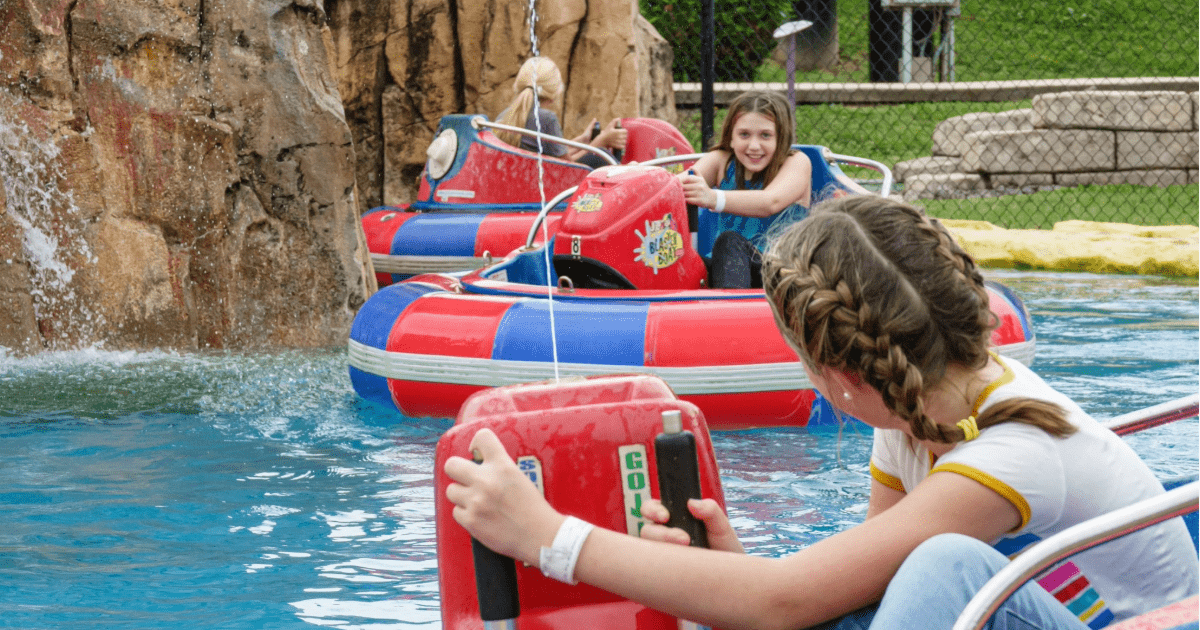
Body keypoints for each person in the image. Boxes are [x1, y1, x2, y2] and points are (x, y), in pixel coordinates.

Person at [444, 195, 1199, 630]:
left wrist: (548, 538)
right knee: (887, 583)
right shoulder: (917, 412)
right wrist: (731, 576)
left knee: (945, 565)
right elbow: (841, 596)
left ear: (838, 377)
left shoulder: (1012, 451)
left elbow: (787, 603)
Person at [677, 90, 813, 289]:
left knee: (730, 241)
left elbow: (770, 201)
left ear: (781, 138)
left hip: (780, 274)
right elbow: (675, 184)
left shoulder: (796, 163)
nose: (754, 145)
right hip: (726, 268)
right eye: (744, 135)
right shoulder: (721, 161)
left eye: (765, 135)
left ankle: (730, 316)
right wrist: (640, 177)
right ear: (731, 137)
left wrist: (714, 198)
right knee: (677, 262)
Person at [494, 56, 626, 169]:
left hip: (524, 180)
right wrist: (600, 142)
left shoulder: (505, 116)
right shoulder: (546, 119)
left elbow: (556, 155)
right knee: (603, 156)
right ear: (553, 94)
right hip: (546, 186)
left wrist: (582, 140)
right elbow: (567, 167)